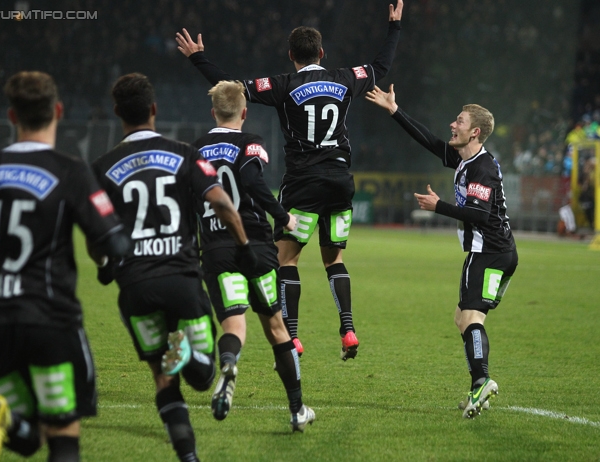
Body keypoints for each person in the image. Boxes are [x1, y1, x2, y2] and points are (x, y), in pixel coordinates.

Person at [176, 0, 404, 360]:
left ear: (290, 54)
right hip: (341, 180)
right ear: (322, 52)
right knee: (334, 260)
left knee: (287, 261)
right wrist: (394, 27)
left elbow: (233, 90)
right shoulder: (344, 78)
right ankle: (348, 329)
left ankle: (293, 337)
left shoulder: (282, 85)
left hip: (303, 182)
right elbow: (381, 66)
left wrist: (197, 57)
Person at [0, 71, 131, 462]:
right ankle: (9, 422)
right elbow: (113, 240)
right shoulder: (69, 171)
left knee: (27, 435)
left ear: (10, 116)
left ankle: (7, 422)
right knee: (62, 433)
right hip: (50, 318)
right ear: (58, 110)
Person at [90, 73, 256, 461]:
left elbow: (96, 236)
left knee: (163, 380)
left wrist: (103, 265)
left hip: (135, 286)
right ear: (154, 109)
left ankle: (188, 457)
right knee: (204, 378)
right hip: (182, 279)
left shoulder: (101, 168)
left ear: (118, 113)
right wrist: (244, 247)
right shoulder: (185, 154)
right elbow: (222, 204)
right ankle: (190, 356)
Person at [365, 84, 518, 418]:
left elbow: (479, 215)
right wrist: (394, 109)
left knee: (470, 318)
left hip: (489, 252)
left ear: (474, 132)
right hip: (498, 251)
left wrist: (439, 207)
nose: (453, 124)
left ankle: (482, 381)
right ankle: (479, 382)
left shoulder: (482, 168)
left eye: (460, 121)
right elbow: (429, 141)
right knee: (462, 318)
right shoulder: (465, 159)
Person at [193, 80, 315, 431]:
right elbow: (249, 177)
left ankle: (229, 362)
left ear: (212, 111)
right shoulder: (250, 143)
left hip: (216, 248)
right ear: (244, 112)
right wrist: (283, 216)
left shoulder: (196, 150)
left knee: (233, 323)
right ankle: (296, 410)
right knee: (277, 328)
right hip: (257, 247)